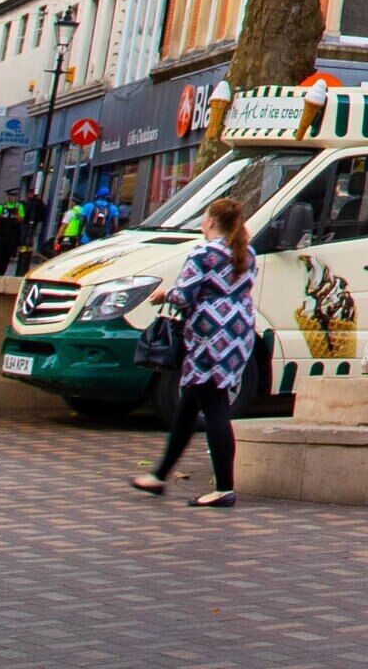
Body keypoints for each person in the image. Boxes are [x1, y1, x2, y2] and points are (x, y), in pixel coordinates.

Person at [129, 196, 254, 508]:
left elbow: (184, 295)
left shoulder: (203, 252)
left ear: (210, 222)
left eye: (204, 218)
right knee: (189, 405)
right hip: (238, 333)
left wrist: (162, 295)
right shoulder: (247, 252)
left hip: (209, 336)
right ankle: (159, 475)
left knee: (214, 406)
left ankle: (224, 487)